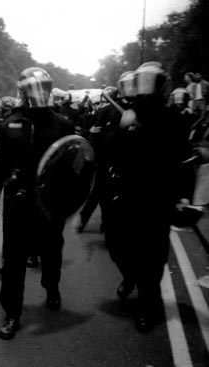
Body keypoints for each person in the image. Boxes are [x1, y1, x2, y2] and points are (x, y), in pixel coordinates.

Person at [103, 62, 194, 332]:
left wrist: (184, 196)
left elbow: (185, 162)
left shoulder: (173, 119)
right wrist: (121, 129)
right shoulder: (128, 115)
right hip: (128, 195)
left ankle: (146, 307)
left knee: (153, 258)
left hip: (158, 197)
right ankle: (131, 275)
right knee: (116, 245)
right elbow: (109, 154)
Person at [0, 67, 74, 340]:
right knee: (13, 257)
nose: (38, 93)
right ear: (22, 92)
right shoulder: (10, 123)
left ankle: (52, 286)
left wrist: (68, 197)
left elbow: (72, 164)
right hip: (18, 199)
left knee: (51, 249)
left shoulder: (62, 124)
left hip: (50, 200)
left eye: (42, 88)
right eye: (32, 89)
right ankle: (12, 312)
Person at [76, 86, 122, 233]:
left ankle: (106, 222)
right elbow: (88, 131)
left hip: (119, 159)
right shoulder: (104, 112)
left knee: (110, 193)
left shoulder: (125, 111)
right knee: (100, 191)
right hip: (104, 157)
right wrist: (89, 132)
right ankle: (88, 218)